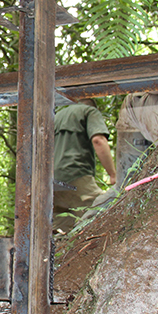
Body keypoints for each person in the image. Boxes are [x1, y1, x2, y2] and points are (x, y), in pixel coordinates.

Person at [53, 99, 116, 232]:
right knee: (103, 209)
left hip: (51, 181)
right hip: (75, 173)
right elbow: (98, 140)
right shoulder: (89, 111)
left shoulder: (55, 117)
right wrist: (113, 174)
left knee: (61, 228)